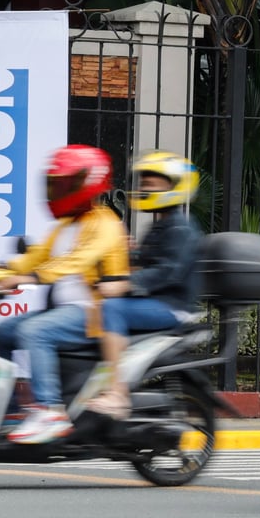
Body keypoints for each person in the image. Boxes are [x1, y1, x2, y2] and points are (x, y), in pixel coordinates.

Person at [0, 144, 130, 444]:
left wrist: (33, 276)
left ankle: (50, 410)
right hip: (63, 312)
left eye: (66, 183)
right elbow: (36, 256)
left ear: (89, 183)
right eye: (55, 183)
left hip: (93, 313)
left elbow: (78, 259)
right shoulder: (65, 225)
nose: (58, 190)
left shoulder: (106, 223)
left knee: (34, 331)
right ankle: (9, 410)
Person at [86, 151, 203, 418]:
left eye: (154, 182)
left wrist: (123, 285)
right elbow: (142, 263)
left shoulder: (181, 229)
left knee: (112, 309)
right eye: (145, 181)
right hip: (156, 302)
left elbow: (167, 272)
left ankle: (117, 394)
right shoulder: (161, 226)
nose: (145, 186)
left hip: (173, 307)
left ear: (176, 186)